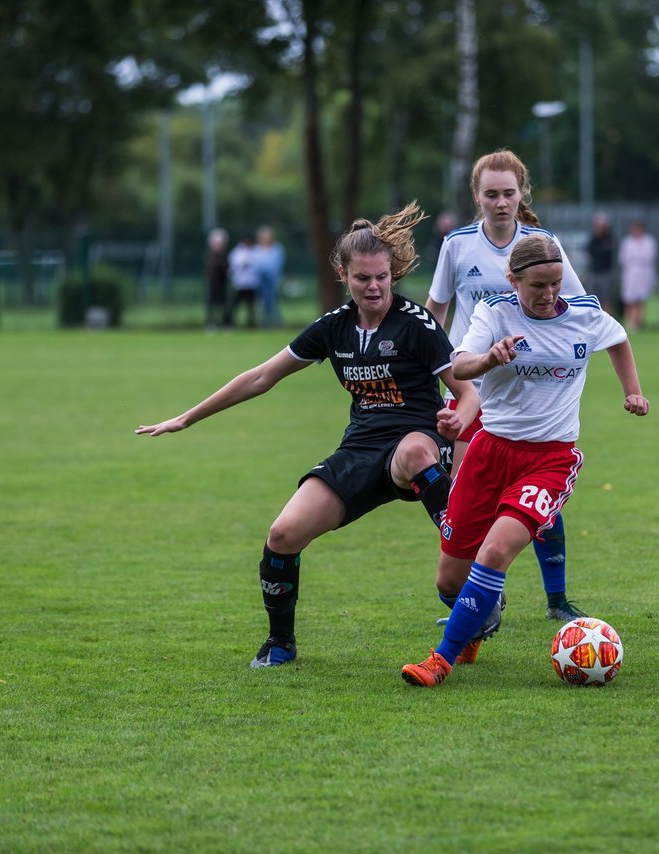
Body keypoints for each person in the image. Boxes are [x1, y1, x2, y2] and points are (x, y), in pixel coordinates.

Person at [137, 204, 479, 668]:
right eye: (363, 278)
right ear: (343, 274)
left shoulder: (417, 324)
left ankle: (469, 574)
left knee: (414, 451)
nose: (375, 287)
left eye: (382, 276)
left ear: (392, 273)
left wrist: (460, 419)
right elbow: (261, 377)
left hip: (419, 439)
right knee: (282, 534)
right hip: (360, 449)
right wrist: (187, 418)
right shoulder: (333, 327)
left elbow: (466, 391)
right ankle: (280, 644)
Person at [400, 235, 650, 687]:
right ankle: (479, 618)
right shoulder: (495, 312)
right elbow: (459, 365)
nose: (550, 294)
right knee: (449, 580)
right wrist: (490, 358)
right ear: (513, 279)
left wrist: (631, 390)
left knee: (495, 552)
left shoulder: (584, 315)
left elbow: (617, 338)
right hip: (489, 453)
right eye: (538, 285)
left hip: (550, 459)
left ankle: (441, 660)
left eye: (555, 283)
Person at [425, 148, 588, 622]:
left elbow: (577, 307)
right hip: (468, 386)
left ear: (522, 194)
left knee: (537, 495)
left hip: (528, 389)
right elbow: (435, 315)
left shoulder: (541, 244)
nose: (501, 202)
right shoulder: (457, 244)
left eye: (509, 193)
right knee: (466, 493)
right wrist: (431, 375)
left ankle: (556, 599)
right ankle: (477, 599)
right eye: (491, 194)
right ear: (477, 197)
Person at [618, 219, 658, 331]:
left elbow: (649, 257)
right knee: (629, 298)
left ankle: (637, 322)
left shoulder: (649, 241)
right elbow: (623, 258)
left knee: (639, 299)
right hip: (631, 272)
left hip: (644, 272)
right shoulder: (627, 242)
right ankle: (629, 320)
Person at [253, 226, 285, 328]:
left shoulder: (277, 249)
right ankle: (265, 322)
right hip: (259, 280)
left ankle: (274, 322)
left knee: (272, 302)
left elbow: (276, 265)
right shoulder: (256, 250)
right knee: (261, 303)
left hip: (271, 280)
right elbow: (256, 265)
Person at [586, 213, 617, 314]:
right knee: (592, 299)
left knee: (606, 299)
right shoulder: (593, 239)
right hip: (594, 273)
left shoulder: (610, 238)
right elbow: (590, 251)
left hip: (606, 273)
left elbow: (605, 252)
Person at [228, 236, 260, 329]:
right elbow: (233, 266)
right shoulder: (236, 252)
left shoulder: (254, 251)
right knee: (235, 304)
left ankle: (251, 323)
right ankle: (231, 322)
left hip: (251, 283)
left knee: (251, 305)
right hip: (240, 284)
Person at [204, 227, 232, 330]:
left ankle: (226, 323)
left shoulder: (226, 255)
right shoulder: (211, 256)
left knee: (225, 304)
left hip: (223, 283)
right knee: (212, 304)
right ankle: (210, 323)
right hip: (214, 283)